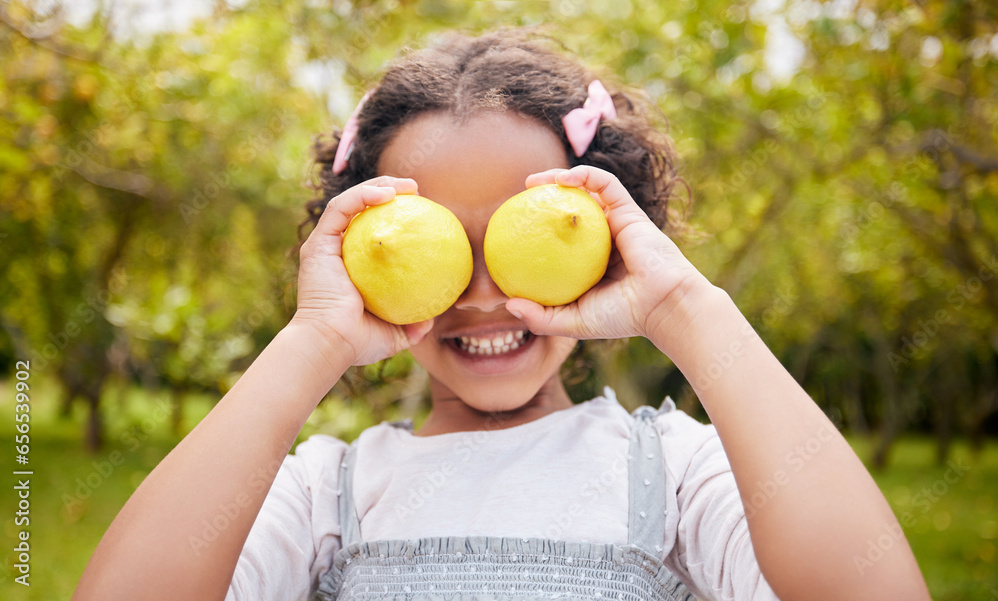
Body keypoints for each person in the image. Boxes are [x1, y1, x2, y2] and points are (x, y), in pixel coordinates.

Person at [73, 29, 931, 601]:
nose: (483, 294)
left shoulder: (675, 472)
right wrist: (312, 341)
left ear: (605, 243)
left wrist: (684, 307)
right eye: (440, 246)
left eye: (521, 243)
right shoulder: (328, 493)